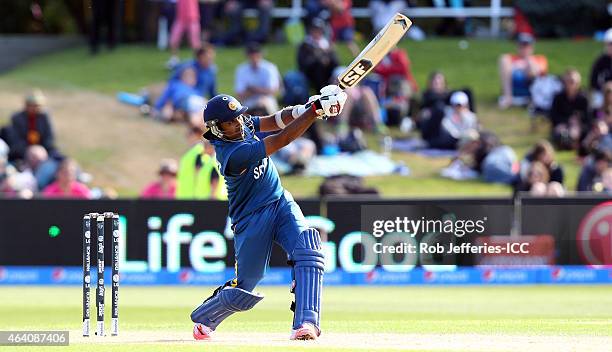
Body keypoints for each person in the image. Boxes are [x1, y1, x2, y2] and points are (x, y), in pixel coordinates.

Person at [190, 86, 347, 341]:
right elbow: (282, 139)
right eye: (230, 123)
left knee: (308, 249)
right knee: (245, 289)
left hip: (280, 202)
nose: (238, 124)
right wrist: (316, 111)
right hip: (251, 219)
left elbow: (274, 121)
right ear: (218, 128)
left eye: (239, 117)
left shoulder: (242, 125)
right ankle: (205, 318)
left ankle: (306, 323)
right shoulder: (232, 154)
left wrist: (306, 107)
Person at [4, 89, 60, 162]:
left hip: (42, 150)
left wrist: (42, 150)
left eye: (37, 106)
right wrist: (29, 150)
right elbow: (15, 140)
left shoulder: (45, 117)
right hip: (22, 152)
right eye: (32, 105)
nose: (35, 108)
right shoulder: (17, 118)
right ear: (26, 105)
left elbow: (49, 138)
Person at [498, 33, 548, 109]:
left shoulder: (540, 59)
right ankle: (508, 97)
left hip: (531, 92)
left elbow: (538, 73)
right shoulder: (509, 59)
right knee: (504, 59)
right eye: (521, 46)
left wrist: (528, 60)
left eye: (527, 46)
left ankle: (532, 101)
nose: (524, 49)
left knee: (531, 71)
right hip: (514, 91)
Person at [176, 125, 227, 199]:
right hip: (189, 195)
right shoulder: (196, 151)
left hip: (193, 195)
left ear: (197, 134)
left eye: (190, 133)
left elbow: (198, 173)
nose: (187, 135)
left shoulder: (199, 151)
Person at [234, 43, 281, 115]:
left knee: (264, 105)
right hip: (248, 101)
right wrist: (261, 90)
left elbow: (273, 91)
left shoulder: (270, 68)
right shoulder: (241, 70)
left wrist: (252, 89)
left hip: (267, 100)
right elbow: (239, 95)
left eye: (256, 55)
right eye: (252, 55)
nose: (254, 58)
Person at [549, 69, 589, 150]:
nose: (570, 84)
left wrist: (578, 123)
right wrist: (565, 122)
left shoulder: (584, 98)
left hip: (579, 127)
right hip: (562, 125)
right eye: (567, 81)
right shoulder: (558, 97)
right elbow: (553, 115)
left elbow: (588, 117)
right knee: (560, 133)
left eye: (572, 81)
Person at [297, 18, 339, 92]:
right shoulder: (305, 45)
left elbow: (336, 63)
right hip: (311, 73)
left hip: (328, 72)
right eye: (314, 30)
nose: (316, 32)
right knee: (318, 67)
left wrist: (328, 58)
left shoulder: (328, 44)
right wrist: (319, 59)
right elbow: (303, 64)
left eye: (319, 30)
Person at [166, 0, 202, 69]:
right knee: (173, 40)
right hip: (180, 19)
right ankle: (174, 59)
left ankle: (199, 61)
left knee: (195, 43)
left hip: (193, 19)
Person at [589, 28, 612, 109]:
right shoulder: (601, 61)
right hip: (603, 92)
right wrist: (603, 88)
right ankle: (599, 118)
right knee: (596, 100)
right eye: (609, 44)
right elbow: (593, 80)